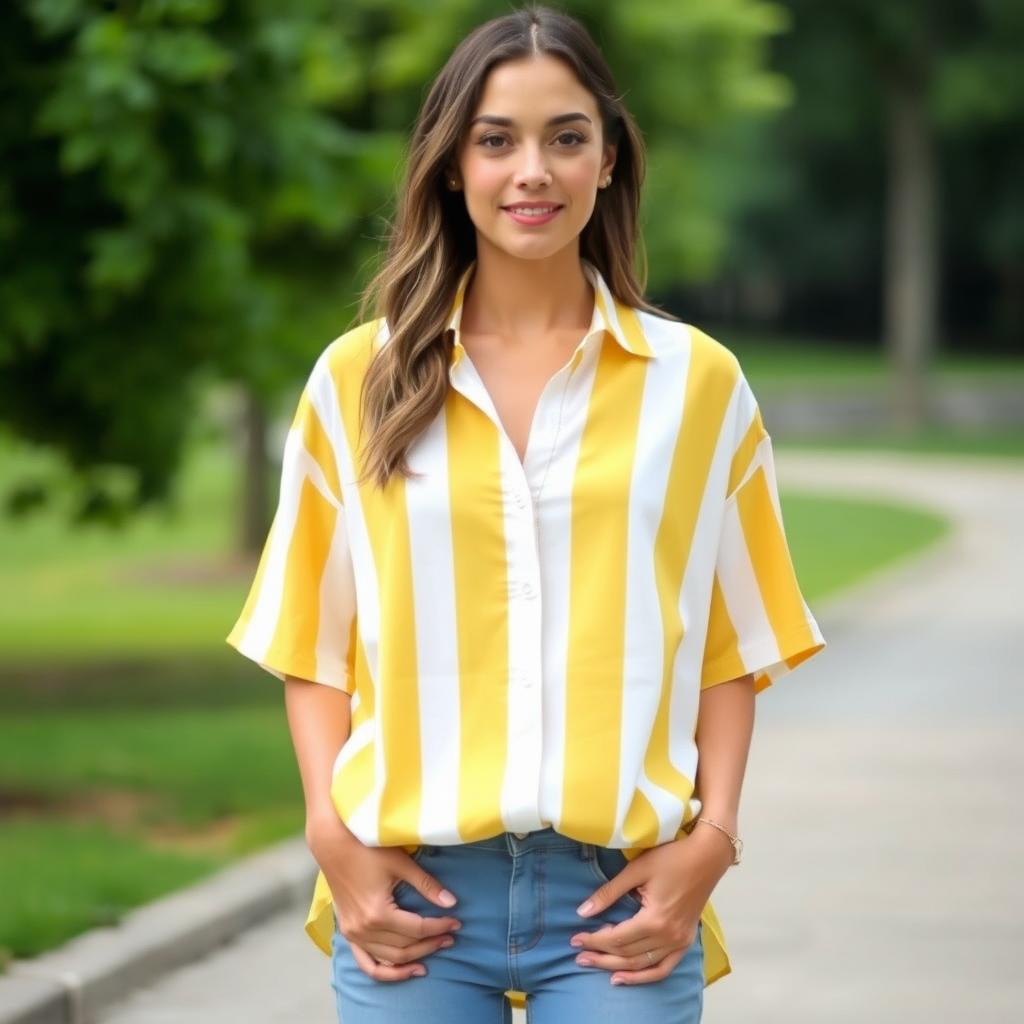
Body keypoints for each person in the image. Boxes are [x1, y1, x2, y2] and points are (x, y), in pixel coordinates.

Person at [227, 5, 826, 1022]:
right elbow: (313, 645)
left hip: (619, 899)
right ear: (451, 165)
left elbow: (732, 646)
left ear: (608, 160)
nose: (531, 171)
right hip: (412, 893)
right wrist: (330, 833)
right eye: (496, 139)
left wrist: (711, 843)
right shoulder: (355, 380)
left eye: (566, 137)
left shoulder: (698, 385)